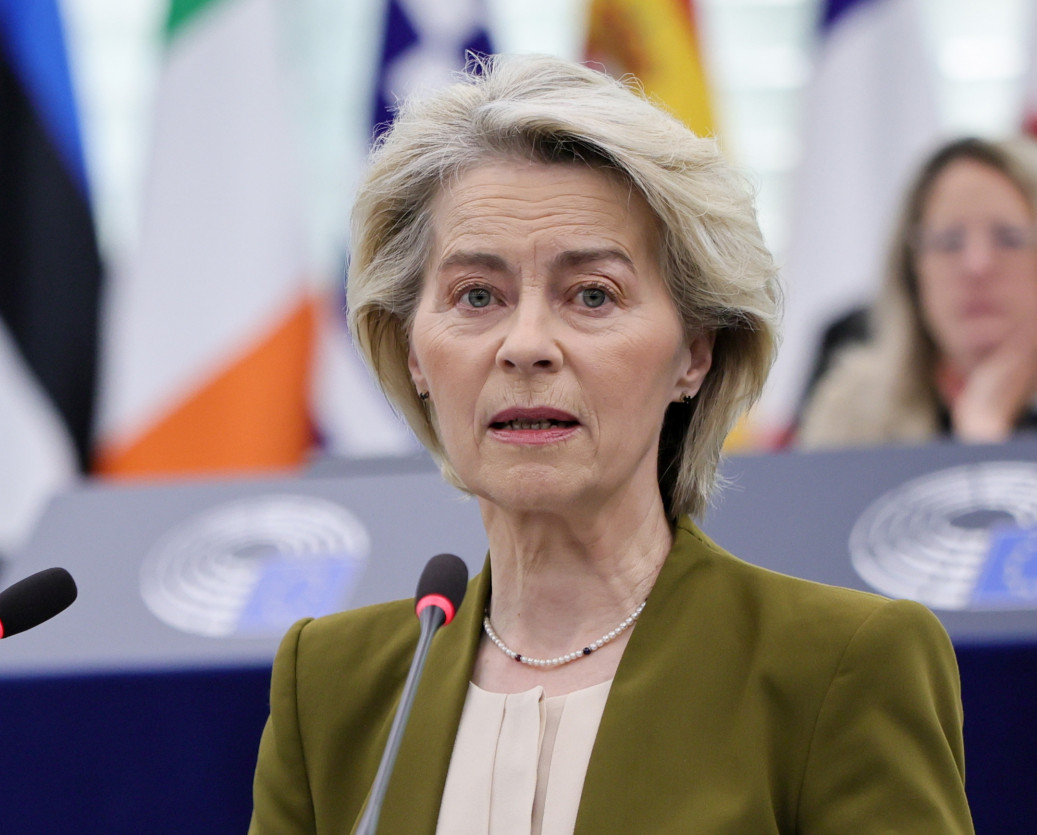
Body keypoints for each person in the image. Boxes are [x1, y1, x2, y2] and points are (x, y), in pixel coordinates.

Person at [249, 54, 973, 834]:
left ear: (694, 352)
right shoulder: (330, 686)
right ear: (413, 351)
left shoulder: (837, 666)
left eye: (592, 294)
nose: (526, 345)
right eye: (477, 295)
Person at [801, 136, 1037, 449]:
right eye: (949, 242)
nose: (977, 265)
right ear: (913, 272)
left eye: (1009, 238)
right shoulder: (853, 419)